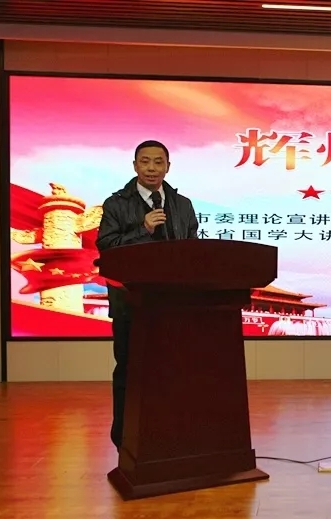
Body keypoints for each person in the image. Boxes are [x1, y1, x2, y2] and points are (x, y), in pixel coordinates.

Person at [95, 140, 199, 452]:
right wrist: (143, 229)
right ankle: (125, 441)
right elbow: (107, 248)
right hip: (130, 306)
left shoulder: (183, 205)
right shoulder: (116, 204)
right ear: (135, 166)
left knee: (173, 374)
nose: (152, 168)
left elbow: (192, 249)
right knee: (130, 372)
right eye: (145, 161)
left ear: (168, 167)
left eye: (158, 162)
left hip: (173, 306)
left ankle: (171, 437)